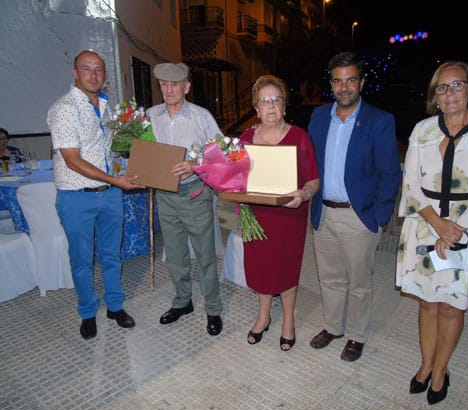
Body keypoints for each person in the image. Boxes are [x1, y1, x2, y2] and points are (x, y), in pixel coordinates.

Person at [396, 61, 468, 405]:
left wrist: (453, 230)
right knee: (427, 303)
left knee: (451, 307)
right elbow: (411, 182)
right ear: (434, 95)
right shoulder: (423, 130)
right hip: (425, 225)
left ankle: (441, 370)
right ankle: (425, 364)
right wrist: (437, 224)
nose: (449, 94)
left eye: (456, 85)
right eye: (441, 88)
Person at [308, 52, 401, 362]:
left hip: (358, 217)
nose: (344, 86)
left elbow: (390, 174)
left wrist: (378, 217)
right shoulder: (320, 117)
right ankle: (333, 327)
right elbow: (308, 163)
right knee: (329, 278)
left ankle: (357, 335)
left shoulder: (379, 120)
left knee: (359, 283)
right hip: (324, 213)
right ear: (331, 84)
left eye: (350, 80)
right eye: (338, 80)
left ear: (361, 82)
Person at [47, 50, 144, 340]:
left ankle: (115, 306)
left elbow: (113, 149)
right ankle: (88, 313)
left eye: (99, 70)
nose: (94, 75)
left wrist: (138, 150)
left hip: (110, 193)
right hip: (77, 196)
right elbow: (72, 159)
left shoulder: (105, 106)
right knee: (82, 259)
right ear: (75, 73)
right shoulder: (64, 108)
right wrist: (114, 179)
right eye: (87, 69)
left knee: (113, 254)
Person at [242, 75, 319, 351]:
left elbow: (313, 180)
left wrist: (304, 194)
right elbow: (236, 177)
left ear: (284, 105)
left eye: (276, 99)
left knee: (285, 268)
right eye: (264, 101)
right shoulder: (247, 138)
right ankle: (263, 316)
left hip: (289, 216)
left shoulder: (299, 137)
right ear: (256, 108)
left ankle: (288, 319)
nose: (270, 105)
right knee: (262, 268)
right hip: (256, 218)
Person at [147, 62, 224, 336]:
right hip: (165, 196)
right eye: (164, 85)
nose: (169, 89)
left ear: (186, 87)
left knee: (205, 256)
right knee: (176, 256)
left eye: (175, 84)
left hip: (194, 194)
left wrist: (195, 164)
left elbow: (221, 152)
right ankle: (183, 301)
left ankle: (213, 309)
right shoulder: (151, 116)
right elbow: (144, 152)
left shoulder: (201, 117)